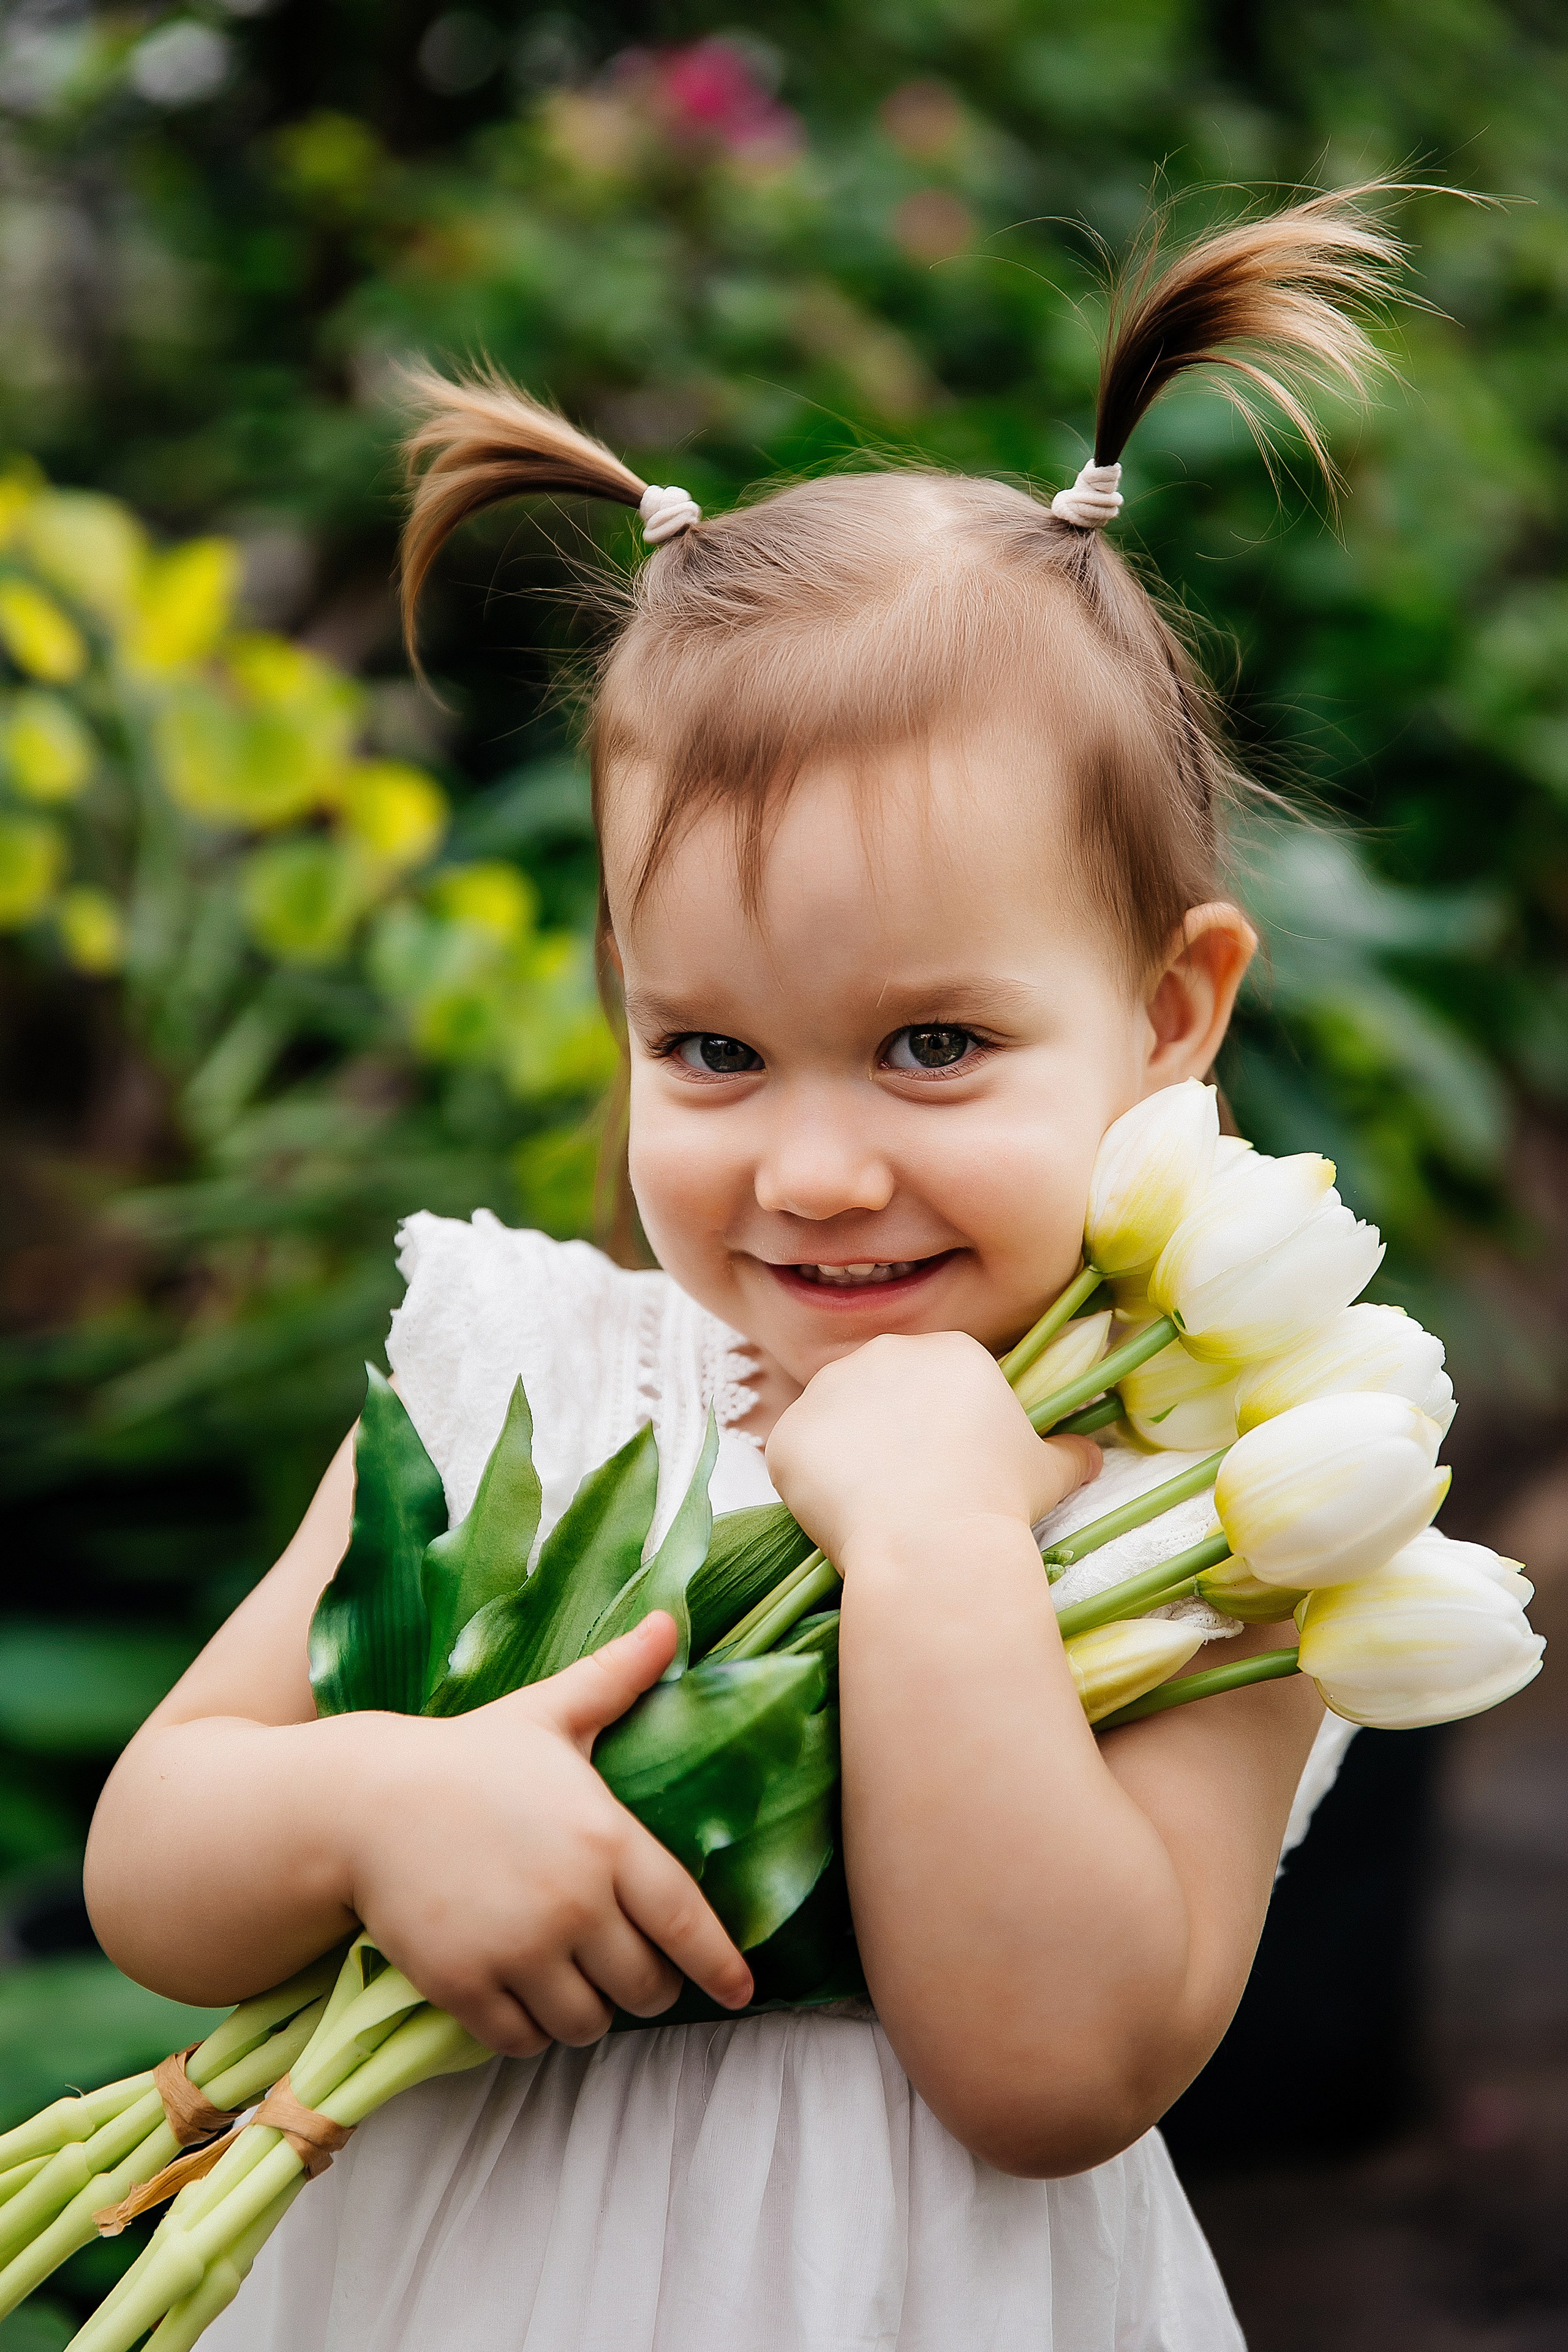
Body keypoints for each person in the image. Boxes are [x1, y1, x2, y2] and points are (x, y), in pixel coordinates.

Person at [84, 184, 1400, 2350]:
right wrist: (375, 1798)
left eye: (933, 1046)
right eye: (706, 1047)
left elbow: (1056, 2069)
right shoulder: (526, 1364)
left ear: (1171, 1015)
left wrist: (948, 1542)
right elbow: (155, 1863)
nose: (807, 1166)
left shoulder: (1214, 1504)